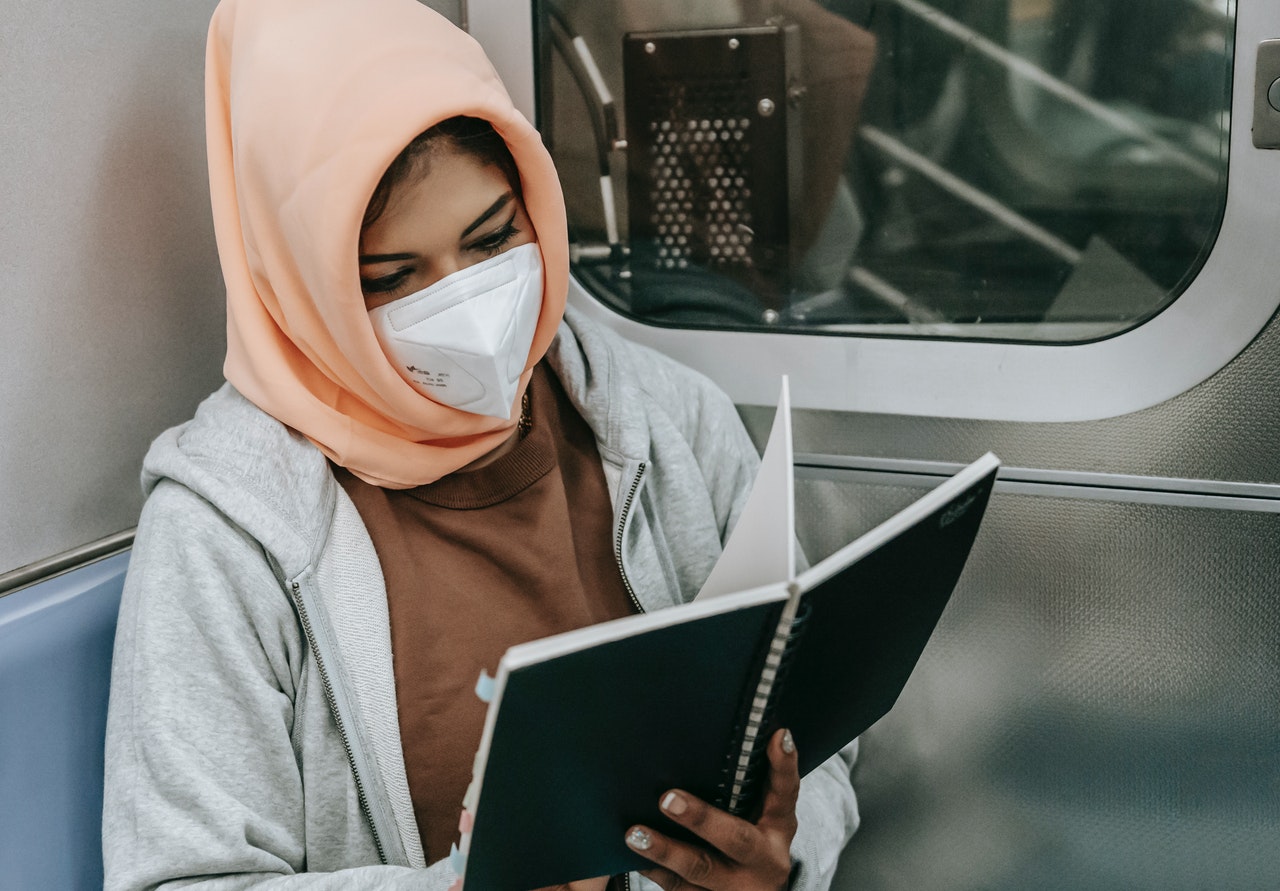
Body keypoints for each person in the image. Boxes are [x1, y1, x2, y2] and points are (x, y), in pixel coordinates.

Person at [101, 0, 859, 889]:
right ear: (305, 289)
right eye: (392, 279)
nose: (467, 309)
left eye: (495, 237)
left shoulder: (665, 419)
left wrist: (781, 854)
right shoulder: (226, 529)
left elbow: (814, 742)